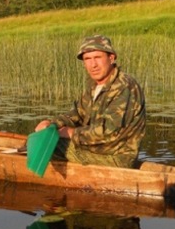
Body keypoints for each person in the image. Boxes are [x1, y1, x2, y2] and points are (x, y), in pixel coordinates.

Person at [35, 35, 146, 168]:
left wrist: (70, 133)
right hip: (98, 149)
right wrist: (51, 124)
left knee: (50, 145)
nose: (93, 65)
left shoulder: (124, 86)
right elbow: (76, 115)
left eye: (98, 57)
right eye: (88, 59)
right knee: (45, 138)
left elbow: (107, 133)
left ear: (111, 58)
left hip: (117, 157)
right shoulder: (94, 86)